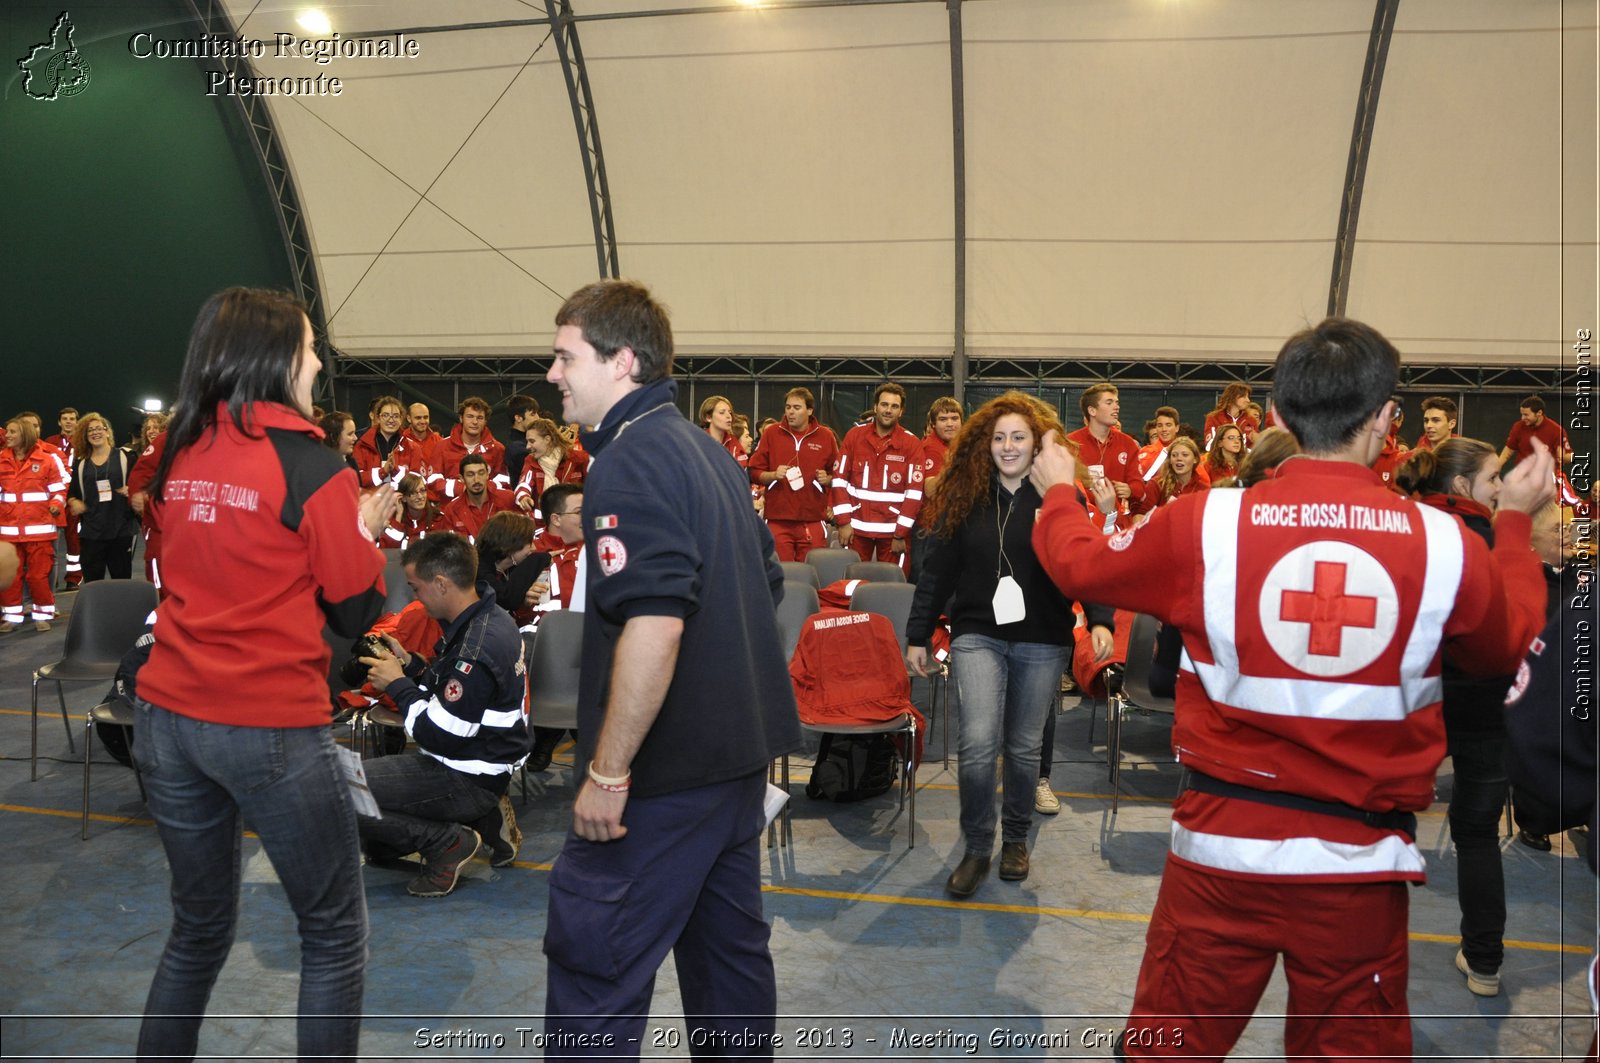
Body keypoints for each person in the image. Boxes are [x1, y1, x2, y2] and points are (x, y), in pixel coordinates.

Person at [1028, 317, 1551, 1061]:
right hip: (1358, 873)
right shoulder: (1445, 546)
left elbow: (1080, 565)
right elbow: (1507, 641)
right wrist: (1515, 530)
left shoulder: (1204, 524)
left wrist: (1058, 492)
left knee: (1164, 1050)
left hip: (1218, 855)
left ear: (1273, 416)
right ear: (1383, 421)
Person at [131, 287, 398, 1061]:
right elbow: (354, 609)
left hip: (165, 717)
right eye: (312, 345)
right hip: (266, 725)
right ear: (281, 358)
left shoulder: (182, 451)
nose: (319, 359)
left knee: (197, 927)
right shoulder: (313, 466)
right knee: (334, 932)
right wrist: (362, 531)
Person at [541, 278, 800, 1057]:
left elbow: (655, 622)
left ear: (622, 362)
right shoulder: (709, 455)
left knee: (596, 972)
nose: (552, 375)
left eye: (565, 356)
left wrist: (611, 769)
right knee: (729, 974)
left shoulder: (628, 462)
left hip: (660, 782)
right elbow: (767, 578)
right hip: (734, 770)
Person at [906, 392, 1113, 897]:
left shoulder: (1061, 496)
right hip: (977, 634)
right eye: (998, 437)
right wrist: (917, 633)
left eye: (1018, 436)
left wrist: (1102, 619)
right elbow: (937, 570)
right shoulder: (965, 495)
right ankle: (978, 846)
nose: (1008, 445)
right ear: (984, 444)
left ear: (1039, 443)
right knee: (977, 744)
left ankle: (1015, 839)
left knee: (1022, 747)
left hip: (1043, 637)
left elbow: (1086, 558)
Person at [1394, 437, 1521, 997]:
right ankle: (1485, 961)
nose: (1501, 488)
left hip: (1411, 706)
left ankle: (1368, 959)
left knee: (1388, 827)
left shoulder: (1402, 537)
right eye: (1495, 477)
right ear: (1464, 486)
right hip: (1485, 710)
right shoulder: (1496, 546)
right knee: (1476, 836)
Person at [357, 531, 532, 892]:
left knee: (335, 788)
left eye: (415, 587)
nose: (414, 597)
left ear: (440, 583)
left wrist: (397, 685)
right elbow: (452, 689)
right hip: (484, 756)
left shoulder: (475, 649)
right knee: (376, 845)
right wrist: (409, 666)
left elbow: (441, 734)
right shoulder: (488, 616)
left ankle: (447, 842)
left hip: (463, 771)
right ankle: (482, 816)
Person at [833, 382, 926, 570]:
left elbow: (914, 494)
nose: (888, 410)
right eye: (884, 405)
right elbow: (839, 480)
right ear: (875, 407)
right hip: (855, 531)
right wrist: (843, 522)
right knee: (852, 586)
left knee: (894, 589)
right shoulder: (854, 436)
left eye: (894, 406)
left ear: (901, 412)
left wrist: (900, 534)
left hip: (893, 535)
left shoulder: (911, 444)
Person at [748, 386, 838, 561]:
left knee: (812, 573)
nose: (791, 412)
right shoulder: (771, 433)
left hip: (812, 520)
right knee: (780, 574)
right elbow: (754, 472)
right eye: (788, 407)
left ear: (809, 411)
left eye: (797, 408)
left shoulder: (826, 436)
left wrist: (827, 480)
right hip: (777, 519)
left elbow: (840, 477)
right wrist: (773, 475)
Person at [0, 415, 69, 632]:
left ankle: (43, 614)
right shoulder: (1, 460)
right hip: (9, 531)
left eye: (12, 432)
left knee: (37, 576)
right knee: (11, 576)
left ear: (25, 434)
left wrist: (56, 504)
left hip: (39, 530)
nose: (7, 435)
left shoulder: (46, 459)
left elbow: (59, 488)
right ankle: (12, 616)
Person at [66, 412, 140, 582]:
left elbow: (141, 484)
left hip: (121, 530)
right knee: (93, 583)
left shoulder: (126, 456)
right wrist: (73, 502)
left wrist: (132, 489)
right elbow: (72, 492)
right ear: (85, 436)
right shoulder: (80, 463)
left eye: (99, 428)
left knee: (121, 582)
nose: (95, 432)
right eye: (90, 430)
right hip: (91, 532)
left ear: (107, 432)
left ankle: (121, 610)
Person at [1067, 383, 1147, 523]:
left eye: (1117, 403)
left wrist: (1130, 490)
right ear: (1092, 411)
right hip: (1081, 521)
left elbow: (1139, 487)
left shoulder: (1128, 444)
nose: (1116, 407)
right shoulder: (1070, 443)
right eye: (1109, 403)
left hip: (1117, 522)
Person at [512, 416, 588, 521]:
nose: (527, 446)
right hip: (545, 524)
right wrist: (523, 497)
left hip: (577, 522)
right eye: (527, 441)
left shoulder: (579, 459)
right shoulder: (531, 460)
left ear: (547, 439)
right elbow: (524, 483)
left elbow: (595, 487)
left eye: (532, 441)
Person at [433, 396, 507, 497]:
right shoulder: (442, 446)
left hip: (485, 508)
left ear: (485, 421)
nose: (475, 422)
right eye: (470, 416)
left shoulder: (498, 449)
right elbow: (433, 480)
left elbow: (504, 481)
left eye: (480, 418)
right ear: (461, 418)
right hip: (450, 508)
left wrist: (480, 490)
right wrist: (461, 489)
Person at [436, 453, 514, 543]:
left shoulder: (508, 499)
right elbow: (452, 547)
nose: (476, 480)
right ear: (461, 478)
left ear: (487, 475)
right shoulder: (452, 510)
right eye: (470, 475)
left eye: (481, 473)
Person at [352, 395, 416, 490]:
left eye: (395, 416)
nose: (391, 420)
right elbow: (356, 478)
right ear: (378, 417)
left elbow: (417, 481)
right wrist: (382, 472)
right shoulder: (362, 445)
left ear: (401, 419)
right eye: (386, 415)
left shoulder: (412, 447)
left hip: (402, 501)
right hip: (370, 501)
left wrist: (395, 471)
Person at [50, 407, 82, 588]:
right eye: (65, 418)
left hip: (74, 499)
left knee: (74, 540)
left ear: (77, 421)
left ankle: (73, 578)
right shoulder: (50, 442)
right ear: (59, 422)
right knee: (51, 540)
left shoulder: (83, 442)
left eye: (72, 418)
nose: (68, 421)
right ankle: (50, 577)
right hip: (55, 499)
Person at [1499, 394, 1572, 468]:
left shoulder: (1557, 431)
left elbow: (1569, 457)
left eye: (1526, 415)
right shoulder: (1518, 426)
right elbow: (1509, 449)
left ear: (1539, 413)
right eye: (1522, 414)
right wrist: (1497, 466)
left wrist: (1563, 457)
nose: (1522, 418)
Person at [383, 472, 438, 551]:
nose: (420, 496)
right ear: (403, 498)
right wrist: (398, 515)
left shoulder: (437, 519)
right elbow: (387, 550)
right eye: (413, 493)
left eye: (422, 490)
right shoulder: (393, 520)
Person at [1152, 435, 1208, 505]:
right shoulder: (1156, 484)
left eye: (1185, 455)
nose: (1179, 458)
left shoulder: (1204, 489)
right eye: (1174, 455)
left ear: (1195, 459)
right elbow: (1141, 514)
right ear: (1170, 460)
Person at [1202, 382, 1259, 450]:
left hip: (1245, 459)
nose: (1248, 400)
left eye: (1248, 397)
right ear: (1233, 397)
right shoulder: (1214, 418)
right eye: (1244, 397)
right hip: (1219, 459)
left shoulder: (1251, 420)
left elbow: (1256, 448)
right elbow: (1209, 446)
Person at [698, 394, 747, 468]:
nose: (728, 416)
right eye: (722, 412)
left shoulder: (734, 444)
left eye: (730, 412)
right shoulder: (697, 442)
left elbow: (740, 473)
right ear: (708, 417)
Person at [502, 394, 541, 482]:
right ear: (518, 418)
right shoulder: (517, 448)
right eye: (532, 414)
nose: (538, 418)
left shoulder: (523, 442)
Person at [922, 397, 963, 479]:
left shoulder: (960, 444)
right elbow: (930, 490)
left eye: (954, 418)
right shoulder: (931, 448)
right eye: (943, 419)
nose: (950, 424)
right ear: (933, 424)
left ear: (961, 421)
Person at [319, 410, 359, 475]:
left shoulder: (351, 462)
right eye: (350, 434)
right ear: (333, 437)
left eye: (354, 433)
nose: (355, 438)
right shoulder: (320, 469)